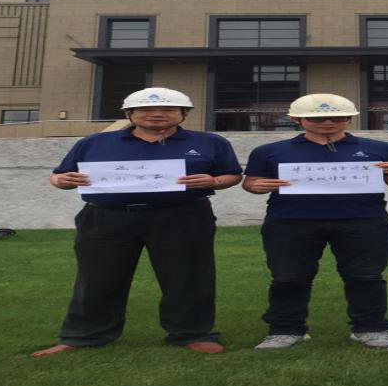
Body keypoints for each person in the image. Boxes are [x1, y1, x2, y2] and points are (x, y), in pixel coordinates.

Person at [31, 87, 243, 358]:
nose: (156, 114)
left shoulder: (210, 142)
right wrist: (61, 181)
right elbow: (59, 175)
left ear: (184, 114)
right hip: (106, 218)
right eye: (145, 109)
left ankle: (192, 334)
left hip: (182, 216)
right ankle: (84, 335)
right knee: (97, 278)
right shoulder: (94, 142)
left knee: (189, 276)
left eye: (167, 109)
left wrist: (214, 181)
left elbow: (232, 175)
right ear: (129, 114)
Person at [242, 93, 388, 349]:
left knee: (366, 276)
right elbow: (251, 182)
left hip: (363, 221)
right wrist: (256, 186)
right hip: (290, 222)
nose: (329, 122)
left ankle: (371, 328)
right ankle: (285, 330)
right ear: (296, 119)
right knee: (288, 278)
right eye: (318, 118)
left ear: (349, 119)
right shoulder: (269, 151)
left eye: (338, 117)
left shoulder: (380, 149)